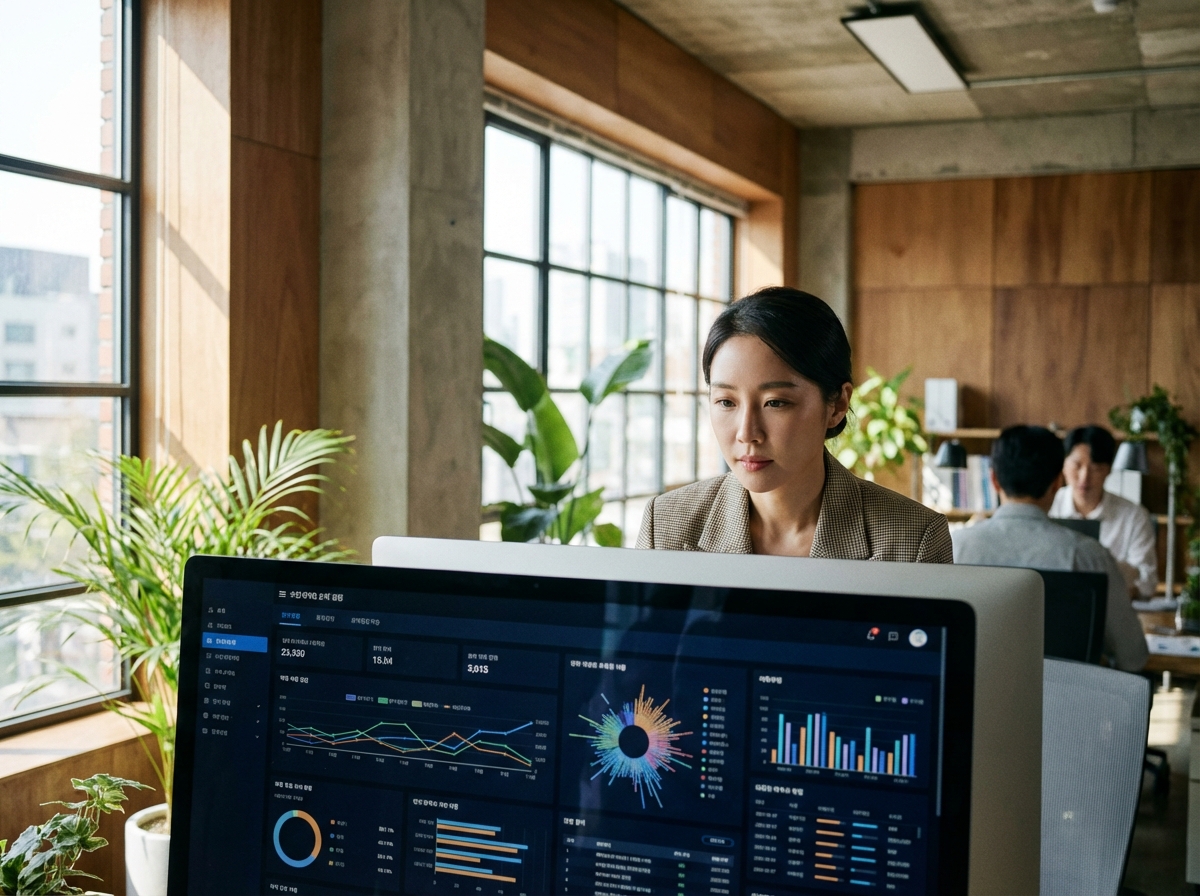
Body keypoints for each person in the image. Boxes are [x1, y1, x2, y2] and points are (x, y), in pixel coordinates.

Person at [636, 286, 952, 562]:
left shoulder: (912, 541)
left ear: (837, 404)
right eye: (726, 402)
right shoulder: (665, 526)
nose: (747, 433)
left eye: (775, 402)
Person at [953, 425, 1147, 671]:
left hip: (969, 704)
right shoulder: (1088, 555)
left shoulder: (953, 547)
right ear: (1057, 482)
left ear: (993, 479)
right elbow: (1133, 656)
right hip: (1064, 706)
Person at [1050, 425, 1158, 598]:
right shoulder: (1048, 507)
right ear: (1063, 465)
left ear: (1108, 470)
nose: (1084, 477)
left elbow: (1148, 583)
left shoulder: (1134, 516)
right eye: (1077, 465)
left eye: (1095, 468)